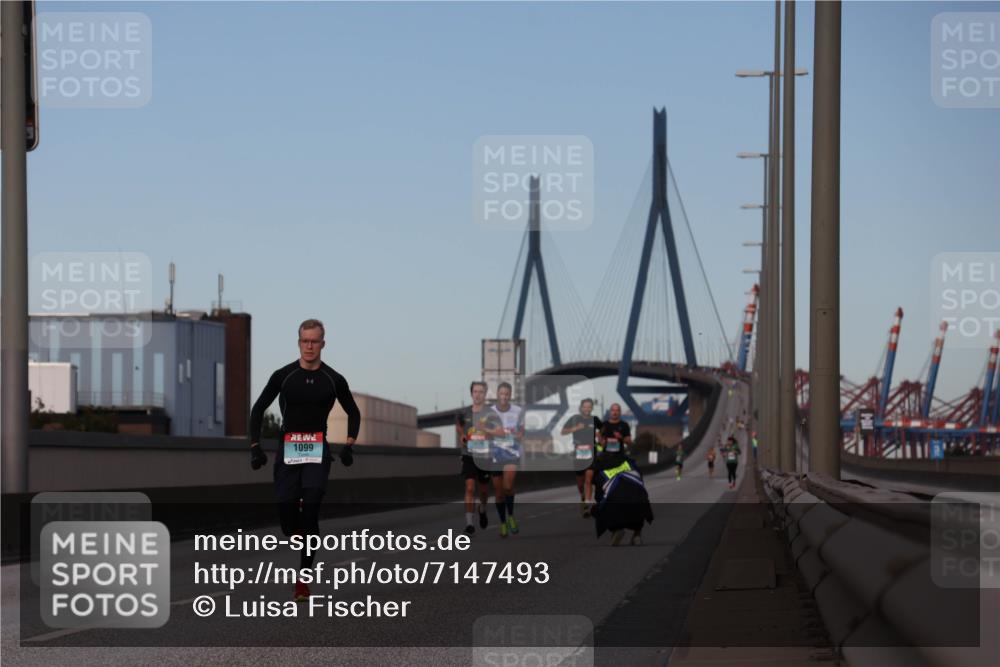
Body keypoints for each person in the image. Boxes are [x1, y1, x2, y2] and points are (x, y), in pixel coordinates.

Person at [248, 318, 360, 602]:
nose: (310, 346)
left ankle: (302, 581)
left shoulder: (333, 379)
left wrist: (348, 446)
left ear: (323, 343)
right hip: (288, 450)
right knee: (288, 520)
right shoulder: (283, 376)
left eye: (315, 341)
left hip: (317, 451)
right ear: (298, 342)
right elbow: (258, 409)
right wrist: (255, 446)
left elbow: (353, 412)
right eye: (305, 341)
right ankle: (297, 524)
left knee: (310, 515)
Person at [456, 381, 504, 535]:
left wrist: (487, 429)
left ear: (485, 394)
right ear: (471, 394)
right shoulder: (464, 412)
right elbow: (459, 424)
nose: (478, 394)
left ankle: (482, 508)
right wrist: (462, 435)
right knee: (469, 487)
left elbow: (501, 432)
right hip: (469, 455)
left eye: (481, 392)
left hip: (484, 456)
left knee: (483, 491)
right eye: (475, 391)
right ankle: (469, 523)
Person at [591, 444, 653, 546]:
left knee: (599, 508)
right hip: (640, 506)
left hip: (619, 507)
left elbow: (600, 499)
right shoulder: (630, 463)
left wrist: (593, 510)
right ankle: (637, 534)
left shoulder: (601, 472)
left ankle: (616, 529)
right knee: (640, 501)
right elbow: (641, 486)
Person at [491, 382, 524, 537]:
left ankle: (511, 515)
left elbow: (522, 432)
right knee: (498, 493)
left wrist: (516, 435)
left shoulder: (518, 411)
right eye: (501, 394)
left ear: (510, 396)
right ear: (498, 395)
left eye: (506, 394)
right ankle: (503, 522)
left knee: (508, 487)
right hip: (495, 455)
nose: (504, 396)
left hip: (511, 454)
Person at [561, 398, 601, 517]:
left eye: (589, 406)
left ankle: (588, 506)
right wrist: (576, 428)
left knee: (588, 480)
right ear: (581, 408)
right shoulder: (575, 419)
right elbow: (563, 432)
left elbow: (603, 430)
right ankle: (583, 497)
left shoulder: (595, 419)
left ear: (592, 408)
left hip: (591, 453)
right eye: (585, 406)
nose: (587, 409)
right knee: (580, 482)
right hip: (578, 453)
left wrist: (600, 435)